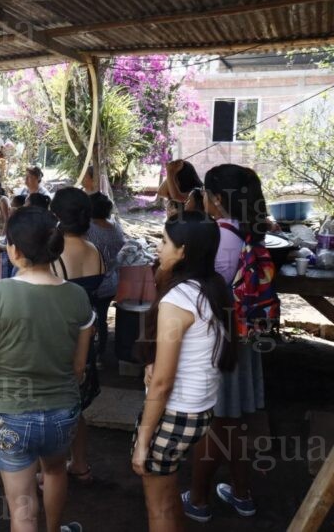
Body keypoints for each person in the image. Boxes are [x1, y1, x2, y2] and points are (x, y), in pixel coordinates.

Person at [0, 207, 94, 532]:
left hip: (10, 415)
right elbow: (79, 368)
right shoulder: (78, 297)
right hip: (63, 412)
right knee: (54, 471)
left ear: (15, 250)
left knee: (22, 512)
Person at [133, 211, 237, 531]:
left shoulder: (178, 299)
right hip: (199, 409)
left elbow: (163, 383)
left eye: (164, 242)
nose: (159, 249)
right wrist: (153, 363)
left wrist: (142, 442)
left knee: (159, 506)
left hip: (176, 412)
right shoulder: (212, 287)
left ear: (183, 251)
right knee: (169, 496)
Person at [184, 164, 273, 522]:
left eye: (206, 192)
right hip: (246, 337)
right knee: (235, 421)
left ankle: (200, 500)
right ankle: (242, 493)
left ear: (217, 199)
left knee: (215, 421)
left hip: (218, 342)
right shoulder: (251, 232)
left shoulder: (215, 237)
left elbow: (199, 294)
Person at [50, 187, 106, 484]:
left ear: (56, 216)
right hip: (89, 336)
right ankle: (80, 464)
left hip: (62, 340)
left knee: (54, 407)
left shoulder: (55, 254)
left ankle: (51, 471)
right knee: (77, 406)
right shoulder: (94, 250)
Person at [86, 192, 126, 358]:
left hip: (93, 281)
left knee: (87, 319)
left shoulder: (88, 228)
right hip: (111, 281)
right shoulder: (115, 226)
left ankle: (88, 352)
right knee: (101, 318)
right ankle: (101, 351)